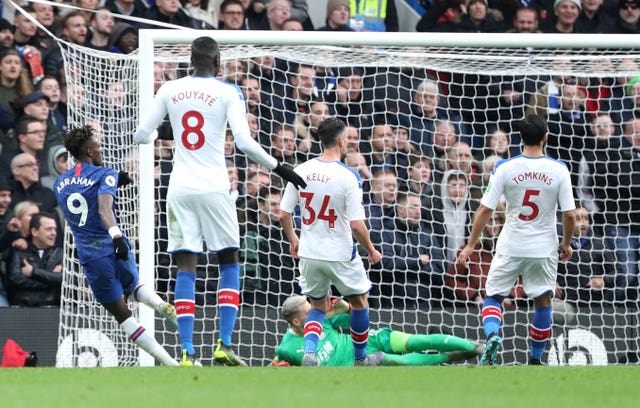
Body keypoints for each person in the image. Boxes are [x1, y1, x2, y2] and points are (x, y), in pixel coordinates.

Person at [134, 36, 306, 367]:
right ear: (218, 63)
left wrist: (166, 134)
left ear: (189, 60)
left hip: (179, 187)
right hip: (214, 186)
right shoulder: (229, 91)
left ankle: (186, 351)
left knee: (186, 266)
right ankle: (223, 344)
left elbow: (142, 134)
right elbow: (243, 142)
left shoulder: (169, 90)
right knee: (229, 261)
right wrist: (280, 167)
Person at [456, 114, 577, 366]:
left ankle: (492, 337)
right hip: (543, 247)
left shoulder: (505, 167)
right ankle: (535, 359)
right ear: (546, 138)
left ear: (519, 138)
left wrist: (470, 245)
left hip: (511, 244)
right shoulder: (559, 170)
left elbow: (485, 209)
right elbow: (570, 214)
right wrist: (566, 243)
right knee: (543, 300)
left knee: (493, 296)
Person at [54, 125, 179, 367]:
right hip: (115, 244)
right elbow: (103, 209)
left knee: (123, 316)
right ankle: (163, 307)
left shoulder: (59, 183)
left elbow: (84, 200)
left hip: (92, 256)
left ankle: (171, 364)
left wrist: (112, 182)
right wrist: (117, 236)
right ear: (89, 150)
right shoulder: (105, 174)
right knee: (134, 287)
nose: (100, 150)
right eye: (98, 147)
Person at [279, 117, 383, 366]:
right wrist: (371, 249)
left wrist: (294, 238)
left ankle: (310, 352)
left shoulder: (300, 171)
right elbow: (357, 225)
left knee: (317, 305)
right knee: (359, 302)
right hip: (339, 253)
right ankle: (360, 358)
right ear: (341, 141)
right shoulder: (349, 176)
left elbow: (283, 214)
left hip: (310, 253)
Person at [273, 295, 484, 366]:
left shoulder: (321, 319)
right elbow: (276, 366)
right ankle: (452, 356)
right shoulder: (287, 348)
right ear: (296, 322)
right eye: (308, 313)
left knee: (417, 341)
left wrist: (344, 306)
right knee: (401, 362)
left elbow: (355, 317)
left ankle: (475, 347)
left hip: (368, 340)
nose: (314, 315)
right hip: (357, 363)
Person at [6, 213, 62, 307]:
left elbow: (63, 279)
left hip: (51, 307)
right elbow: (15, 279)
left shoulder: (60, 254)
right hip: (22, 307)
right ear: (35, 231)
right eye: (49, 229)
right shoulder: (20, 250)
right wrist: (50, 281)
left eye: (55, 229)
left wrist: (33, 272)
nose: (54, 233)